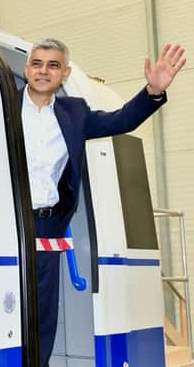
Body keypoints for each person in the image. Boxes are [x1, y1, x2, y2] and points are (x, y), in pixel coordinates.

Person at [20, 38, 186, 366]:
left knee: (42, 318)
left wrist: (152, 91)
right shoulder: (2, 108)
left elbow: (121, 120)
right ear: (26, 70)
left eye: (53, 65)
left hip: (48, 227)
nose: (43, 71)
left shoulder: (74, 113)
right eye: (37, 63)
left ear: (64, 74)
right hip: (8, 222)